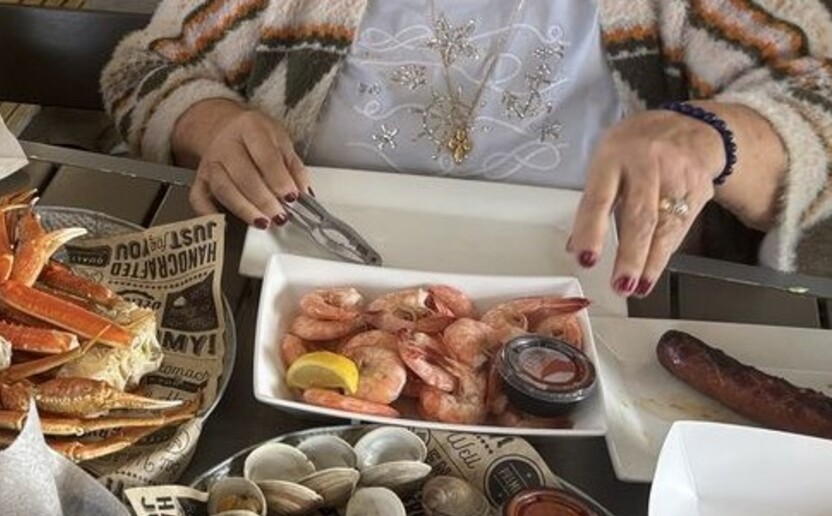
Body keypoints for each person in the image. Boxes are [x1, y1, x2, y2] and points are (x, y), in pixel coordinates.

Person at [101, 1, 832, 297]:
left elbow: (818, 102)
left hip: (606, 348)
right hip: (287, 317)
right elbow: (144, 69)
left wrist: (715, 138)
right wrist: (214, 123)